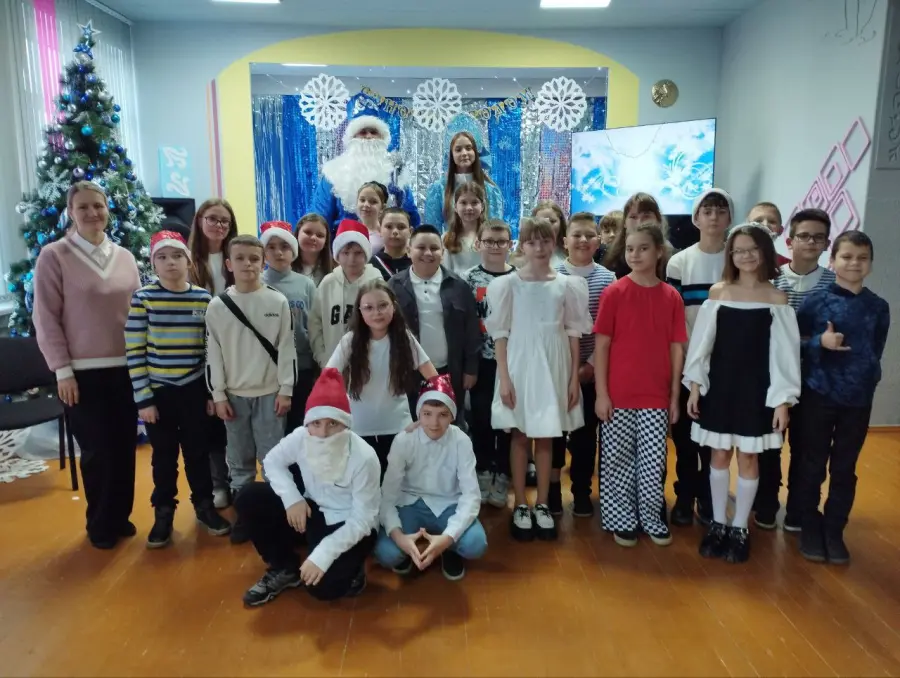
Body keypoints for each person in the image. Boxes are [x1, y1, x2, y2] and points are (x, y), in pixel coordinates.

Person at [684, 224, 801, 564]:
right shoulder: (719, 292)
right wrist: (695, 386)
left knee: (749, 457)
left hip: (757, 390)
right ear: (730, 255)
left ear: (765, 251)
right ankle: (718, 523)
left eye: (753, 249)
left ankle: (739, 528)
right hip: (720, 386)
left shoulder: (777, 298)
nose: (746, 255)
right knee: (719, 455)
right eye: (738, 250)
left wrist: (782, 400)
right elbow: (702, 346)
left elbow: (784, 356)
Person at [33, 181, 141, 550]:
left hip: (127, 368)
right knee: (97, 451)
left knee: (124, 447)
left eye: (98, 205)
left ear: (108, 209)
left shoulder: (124, 257)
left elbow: (137, 313)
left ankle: (120, 515)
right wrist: (62, 370)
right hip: (81, 373)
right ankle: (100, 522)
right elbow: (46, 317)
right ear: (71, 212)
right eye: (83, 207)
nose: (93, 213)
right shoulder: (54, 256)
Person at [487, 217, 592, 542]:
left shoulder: (568, 285)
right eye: (532, 242)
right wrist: (504, 378)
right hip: (520, 364)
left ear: (555, 242)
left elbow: (573, 333)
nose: (540, 247)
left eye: (545, 241)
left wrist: (573, 378)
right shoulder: (508, 285)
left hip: (555, 364)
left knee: (547, 435)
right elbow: (500, 334)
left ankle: (543, 503)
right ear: (522, 246)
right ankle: (521, 503)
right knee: (520, 434)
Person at [237, 368, 380, 605]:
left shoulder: (364, 457)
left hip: (347, 522)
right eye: (316, 423)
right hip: (311, 509)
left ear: (346, 424)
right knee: (249, 497)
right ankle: (284, 567)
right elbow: (272, 462)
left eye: (332, 423)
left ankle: (353, 568)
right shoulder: (301, 436)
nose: (323, 433)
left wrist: (323, 555)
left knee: (322, 588)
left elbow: (363, 519)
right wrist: (292, 498)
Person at [125, 231, 232, 548]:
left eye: (176, 256)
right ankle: (164, 512)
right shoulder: (143, 299)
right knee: (163, 458)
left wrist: (211, 393)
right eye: (162, 257)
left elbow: (211, 350)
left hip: (194, 390)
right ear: (153, 264)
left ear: (188, 262)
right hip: (160, 394)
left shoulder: (203, 299)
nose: (170, 262)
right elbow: (135, 352)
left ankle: (204, 506)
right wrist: (144, 399)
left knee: (198, 454)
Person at [794, 231, 889, 565]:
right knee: (812, 463)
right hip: (818, 394)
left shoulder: (878, 307)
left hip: (858, 400)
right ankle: (809, 525)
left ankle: (834, 530)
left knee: (845, 468)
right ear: (832, 260)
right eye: (847, 256)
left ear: (870, 264)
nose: (854, 263)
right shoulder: (815, 302)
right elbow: (794, 343)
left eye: (862, 258)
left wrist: (866, 378)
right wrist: (819, 343)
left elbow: (876, 349)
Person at [594, 222, 686, 547]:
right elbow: (602, 346)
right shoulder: (614, 292)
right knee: (617, 459)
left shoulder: (671, 296)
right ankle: (621, 518)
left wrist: (673, 396)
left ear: (659, 251)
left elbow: (676, 348)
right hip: (618, 394)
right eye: (630, 249)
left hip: (655, 396)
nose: (635, 255)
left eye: (643, 248)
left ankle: (650, 515)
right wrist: (602, 394)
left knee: (652, 461)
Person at [205, 235, 297, 543]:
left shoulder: (277, 301)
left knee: (272, 459)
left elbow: (287, 348)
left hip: (271, 394)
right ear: (229, 264)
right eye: (240, 258)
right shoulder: (217, 306)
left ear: (263, 262)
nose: (248, 264)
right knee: (239, 460)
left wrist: (286, 389)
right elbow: (213, 355)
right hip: (234, 396)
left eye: (254, 258)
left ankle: (272, 516)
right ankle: (245, 515)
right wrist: (218, 395)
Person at [758, 208, 835, 532]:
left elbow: (834, 336)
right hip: (772, 377)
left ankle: (800, 510)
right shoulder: (770, 280)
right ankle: (765, 504)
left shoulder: (833, 283)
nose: (811, 242)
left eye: (818, 237)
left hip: (816, 380)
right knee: (769, 444)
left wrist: (806, 342)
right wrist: (812, 341)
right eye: (804, 236)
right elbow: (765, 333)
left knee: (808, 448)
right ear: (789, 241)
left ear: (827, 243)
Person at [666, 187, 734, 527]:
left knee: (713, 437)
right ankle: (684, 495)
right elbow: (674, 317)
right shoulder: (680, 262)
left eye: (721, 211)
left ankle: (708, 497)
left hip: (725, 365)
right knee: (684, 437)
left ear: (730, 218)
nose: (714, 217)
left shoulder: (737, 260)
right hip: (688, 362)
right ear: (696, 218)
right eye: (707, 211)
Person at [375, 375, 487, 581]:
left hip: (448, 504)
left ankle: (448, 549)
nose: (434, 423)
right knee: (387, 553)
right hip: (410, 504)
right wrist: (399, 538)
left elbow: (471, 495)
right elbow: (388, 495)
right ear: (418, 414)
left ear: (452, 415)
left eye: (442, 415)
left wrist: (448, 538)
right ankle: (410, 548)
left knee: (475, 544)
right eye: (427, 414)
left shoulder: (461, 441)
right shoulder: (404, 440)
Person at [326, 279, 438, 476]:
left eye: (383, 305)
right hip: (358, 429)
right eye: (368, 308)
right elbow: (327, 379)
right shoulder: (350, 341)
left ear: (393, 306)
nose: (376, 313)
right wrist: (333, 419)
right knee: (363, 483)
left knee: (398, 484)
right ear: (360, 311)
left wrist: (427, 415)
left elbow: (434, 378)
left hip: (399, 428)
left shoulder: (404, 338)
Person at [553, 212, 615, 518]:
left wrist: (589, 365)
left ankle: (581, 491)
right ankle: (551, 492)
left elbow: (610, 327)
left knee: (585, 436)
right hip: (556, 369)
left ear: (598, 241)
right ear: (565, 241)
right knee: (554, 434)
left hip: (592, 371)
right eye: (576, 234)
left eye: (590, 235)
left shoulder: (608, 279)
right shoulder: (552, 274)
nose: (583, 240)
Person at [389, 224, 481, 427]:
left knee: (450, 425)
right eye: (421, 248)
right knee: (413, 426)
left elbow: (471, 330)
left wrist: (471, 369)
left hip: (451, 371)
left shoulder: (458, 286)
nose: (428, 253)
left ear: (443, 252)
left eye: (434, 248)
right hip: (409, 373)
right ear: (408, 250)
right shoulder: (393, 286)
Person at [187, 198, 238, 509]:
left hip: (235, 351)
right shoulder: (188, 261)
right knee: (210, 422)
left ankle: (238, 478)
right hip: (198, 350)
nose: (219, 225)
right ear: (200, 220)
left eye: (225, 221)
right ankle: (218, 482)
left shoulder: (236, 258)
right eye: (213, 219)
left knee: (233, 418)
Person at [463, 220, 516, 508]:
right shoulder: (468, 279)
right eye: (489, 241)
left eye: (501, 241)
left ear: (511, 244)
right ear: (478, 244)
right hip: (481, 363)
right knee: (481, 419)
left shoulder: (519, 278)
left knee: (507, 422)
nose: (495, 247)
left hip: (512, 363)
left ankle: (503, 473)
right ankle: (483, 470)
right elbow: (464, 325)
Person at [311, 114, 420, 232]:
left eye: (374, 132)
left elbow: (411, 218)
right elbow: (319, 217)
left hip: (388, 241)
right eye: (363, 132)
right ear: (352, 138)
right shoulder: (334, 172)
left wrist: (401, 199)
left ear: (383, 138)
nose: (369, 137)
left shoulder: (395, 173)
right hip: (345, 241)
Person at [260, 221, 318, 434]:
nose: (278, 252)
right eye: (271, 247)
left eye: (284, 246)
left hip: (301, 367)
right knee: (271, 430)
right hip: (267, 370)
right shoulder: (256, 283)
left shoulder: (306, 284)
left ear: (293, 250)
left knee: (298, 428)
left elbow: (314, 325)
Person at [309, 219, 383, 368]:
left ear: (366, 254)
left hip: (370, 364)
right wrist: (323, 358)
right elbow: (315, 323)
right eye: (345, 253)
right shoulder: (328, 283)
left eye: (358, 253)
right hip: (333, 364)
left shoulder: (376, 282)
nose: (351, 259)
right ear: (337, 255)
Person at [424, 128, 503, 233]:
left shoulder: (490, 191)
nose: (464, 153)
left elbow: (496, 231)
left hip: (483, 243)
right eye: (458, 150)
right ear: (451, 155)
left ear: (475, 152)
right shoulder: (438, 189)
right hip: (450, 243)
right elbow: (432, 232)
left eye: (468, 148)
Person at [604, 193, 669, 279]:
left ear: (658, 221)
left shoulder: (672, 260)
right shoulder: (610, 258)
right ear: (624, 223)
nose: (639, 222)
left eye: (646, 216)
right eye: (633, 217)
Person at [442, 182, 488, 277]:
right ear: (455, 207)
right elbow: (445, 273)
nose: (469, 208)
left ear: (482, 206)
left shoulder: (491, 237)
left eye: (474, 203)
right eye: (463, 203)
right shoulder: (447, 238)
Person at [509, 201, 567, 269]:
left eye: (552, 221)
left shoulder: (569, 251)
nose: (547, 226)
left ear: (561, 222)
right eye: (541, 222)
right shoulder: (522, 255)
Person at [291, 213, 333, 286]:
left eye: (320, 235)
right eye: (308, 232)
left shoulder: (334, 270)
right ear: (297, 234)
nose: (313, 238)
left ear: (325, 242)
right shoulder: (285, 266)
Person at [371, 207, 412, 281]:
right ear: (380, 230)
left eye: (401, 227)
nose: (395, 231)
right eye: (389, 227)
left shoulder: (417, 262)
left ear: (410, 232)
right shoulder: (372, 265)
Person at [747, 201, 790, 266]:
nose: (765, 225)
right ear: (747, 228)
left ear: (781, 230)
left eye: (772, 222)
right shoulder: (737, 261)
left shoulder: (787, 265)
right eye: (758, 221)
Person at [356, 181, 388, 255]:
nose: (366, 204)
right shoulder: (351, 232)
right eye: (362, 200)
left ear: (382, 208)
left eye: (373, 202)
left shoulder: (386, 234)